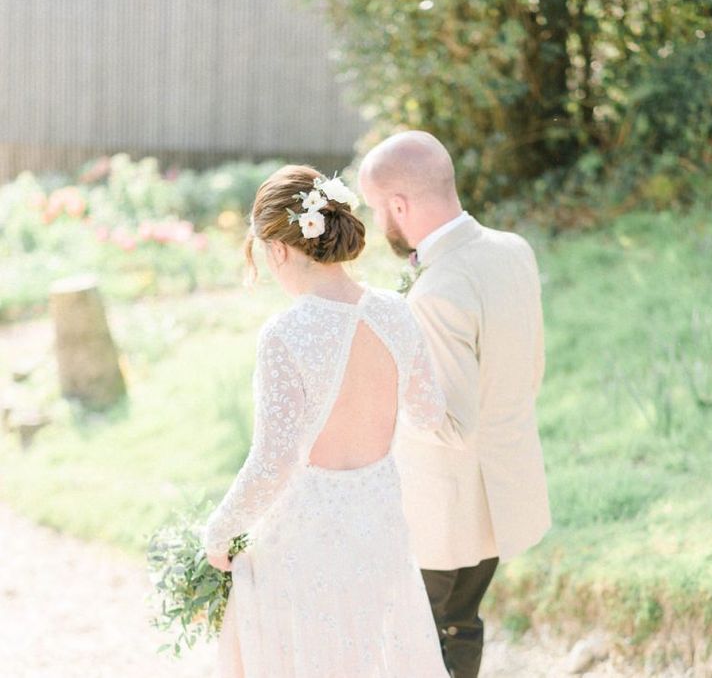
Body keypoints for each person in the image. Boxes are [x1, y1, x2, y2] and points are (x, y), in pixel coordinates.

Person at [202, 164, 449, 677]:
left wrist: (220, 531)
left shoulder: (286, 334)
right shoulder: (395, 312)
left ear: (279, 249)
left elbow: (274, 461)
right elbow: (430, 413)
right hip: (379, 522)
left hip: (309, 534)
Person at [358, 131, 551, 678]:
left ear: (400, 205)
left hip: (442, 515)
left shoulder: (436, 291)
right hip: (503, 496)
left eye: (378, 209)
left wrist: (383, 397)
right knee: (460, 627)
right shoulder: (513, 250)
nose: (380, 222)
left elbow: (452, 423)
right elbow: (530, 368)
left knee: (416, 644)